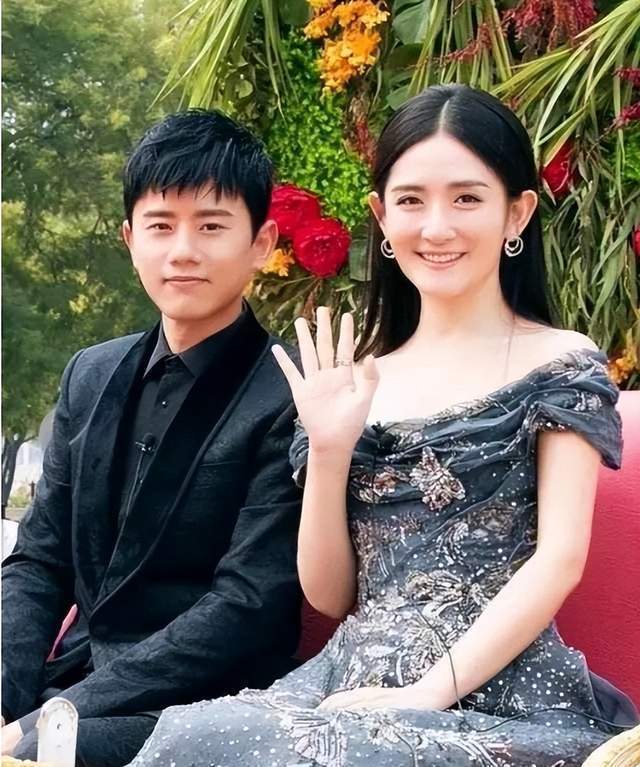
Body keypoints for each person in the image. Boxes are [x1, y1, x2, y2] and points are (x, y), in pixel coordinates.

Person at [125, 84, 639, 767]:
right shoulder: (359, 375)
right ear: (381, 217)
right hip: (348, 682)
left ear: (516, 213)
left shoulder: (560, 361)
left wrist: (425, 694)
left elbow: (559, 560)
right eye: (411, 201)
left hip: (497, 690)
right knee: (187, 736)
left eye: (467, 198)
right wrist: (329, 451)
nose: (436, 227)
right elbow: (331, 594)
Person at [1, 110, 303, 766]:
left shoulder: (292, 391)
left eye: (212, 226)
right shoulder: (91, 373)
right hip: (73, 682)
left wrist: (40, 723)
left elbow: (248, 603)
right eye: (161, 225)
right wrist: (5, 697)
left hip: (206, 703)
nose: (182, 250)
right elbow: (41, 559)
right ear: (129, 237)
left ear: (261, 242)